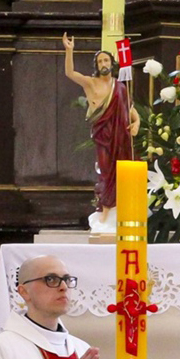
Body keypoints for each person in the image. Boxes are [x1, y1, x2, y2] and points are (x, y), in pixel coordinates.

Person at [62, 33, 139, 233]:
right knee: (106, 173)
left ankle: (118, 209)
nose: (103, 63)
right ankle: (104, 211)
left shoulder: (120, 87)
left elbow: (130, 111)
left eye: (106, 59)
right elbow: (70, 73)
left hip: (121, 137)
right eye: (100, 61)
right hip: (104, 137)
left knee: (120, 172)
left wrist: (137, 122)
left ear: (112, 63)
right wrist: (69, 50)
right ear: (96, 65)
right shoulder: (91, 83)